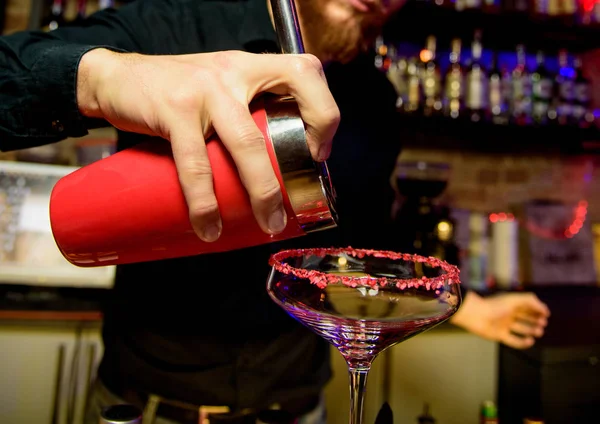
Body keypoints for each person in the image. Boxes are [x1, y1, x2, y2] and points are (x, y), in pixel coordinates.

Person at [0, 0, 550, 422]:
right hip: (147, 404)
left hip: (297, 408)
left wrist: (466, 306)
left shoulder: (373, 99)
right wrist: (107, 77)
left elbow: (363, 250)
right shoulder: (177, 26)